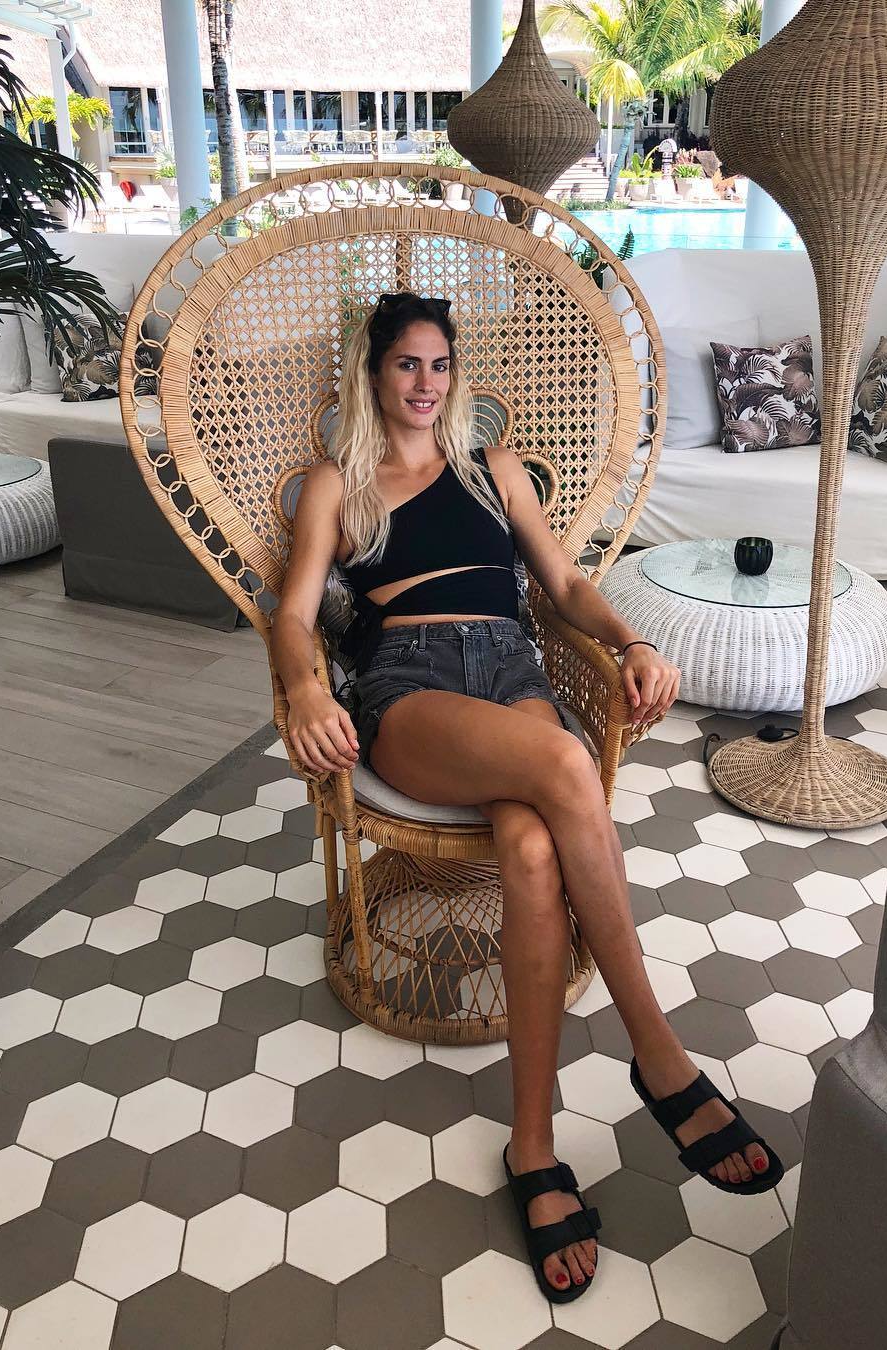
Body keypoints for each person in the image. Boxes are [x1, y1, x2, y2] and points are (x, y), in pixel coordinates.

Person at [272, 292, 783, 1305]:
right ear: (373, 373)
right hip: (411, 680)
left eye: (440, 365)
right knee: (564, 766)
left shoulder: (492, 468)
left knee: (537, 852)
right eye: (408, 364)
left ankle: (533, 1147)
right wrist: (304, 687)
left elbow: (566, 586)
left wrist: (633, 640)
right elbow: (294, 615)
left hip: (513, 668)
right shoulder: (339, 482)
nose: (427, 383)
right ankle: (660, 1056)